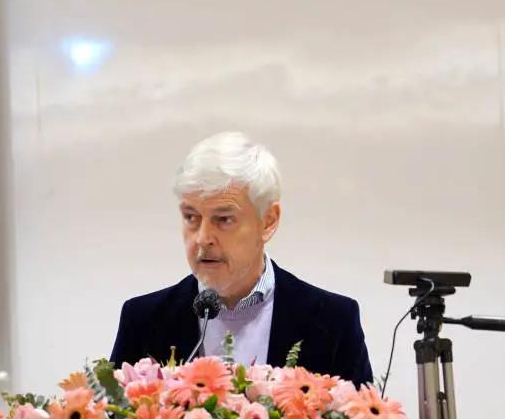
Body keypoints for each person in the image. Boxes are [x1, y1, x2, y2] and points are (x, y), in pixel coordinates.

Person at [110, 131, 373, 384]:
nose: (203, 238)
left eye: (224, 219)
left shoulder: (333, 322)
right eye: (191, 217)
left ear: (268, 222)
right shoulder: (144, 320)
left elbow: (361, 414)